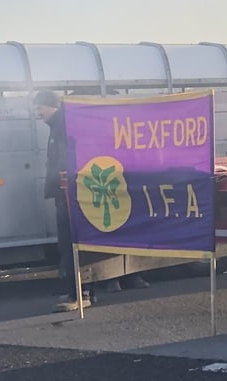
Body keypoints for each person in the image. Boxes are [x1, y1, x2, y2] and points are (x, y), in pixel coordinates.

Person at [34, 90, 149, 313]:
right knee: (77, 243)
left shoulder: (63, 127)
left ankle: (79, 294)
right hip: (70, 193)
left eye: (39, 107)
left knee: (71, 244)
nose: (37, 112)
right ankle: (84, 291)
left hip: (70, 195)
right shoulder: (61, 125)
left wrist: (63, 186)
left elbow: (68, 161)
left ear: (51, 106)